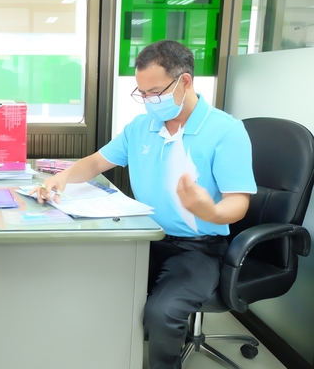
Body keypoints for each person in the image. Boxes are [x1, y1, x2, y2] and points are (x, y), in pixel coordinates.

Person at [32, 40, 256, 369]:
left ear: (185, 81)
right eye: (142, 93)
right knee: (92, 286)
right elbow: (96, 162)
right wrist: (61, 179)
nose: (149, 101)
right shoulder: (141, 127)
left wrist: (210, 211)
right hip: (145, 237)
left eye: (155, 92)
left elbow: (238, 203)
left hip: (198, 247)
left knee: (163, 313)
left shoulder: (226, 131)